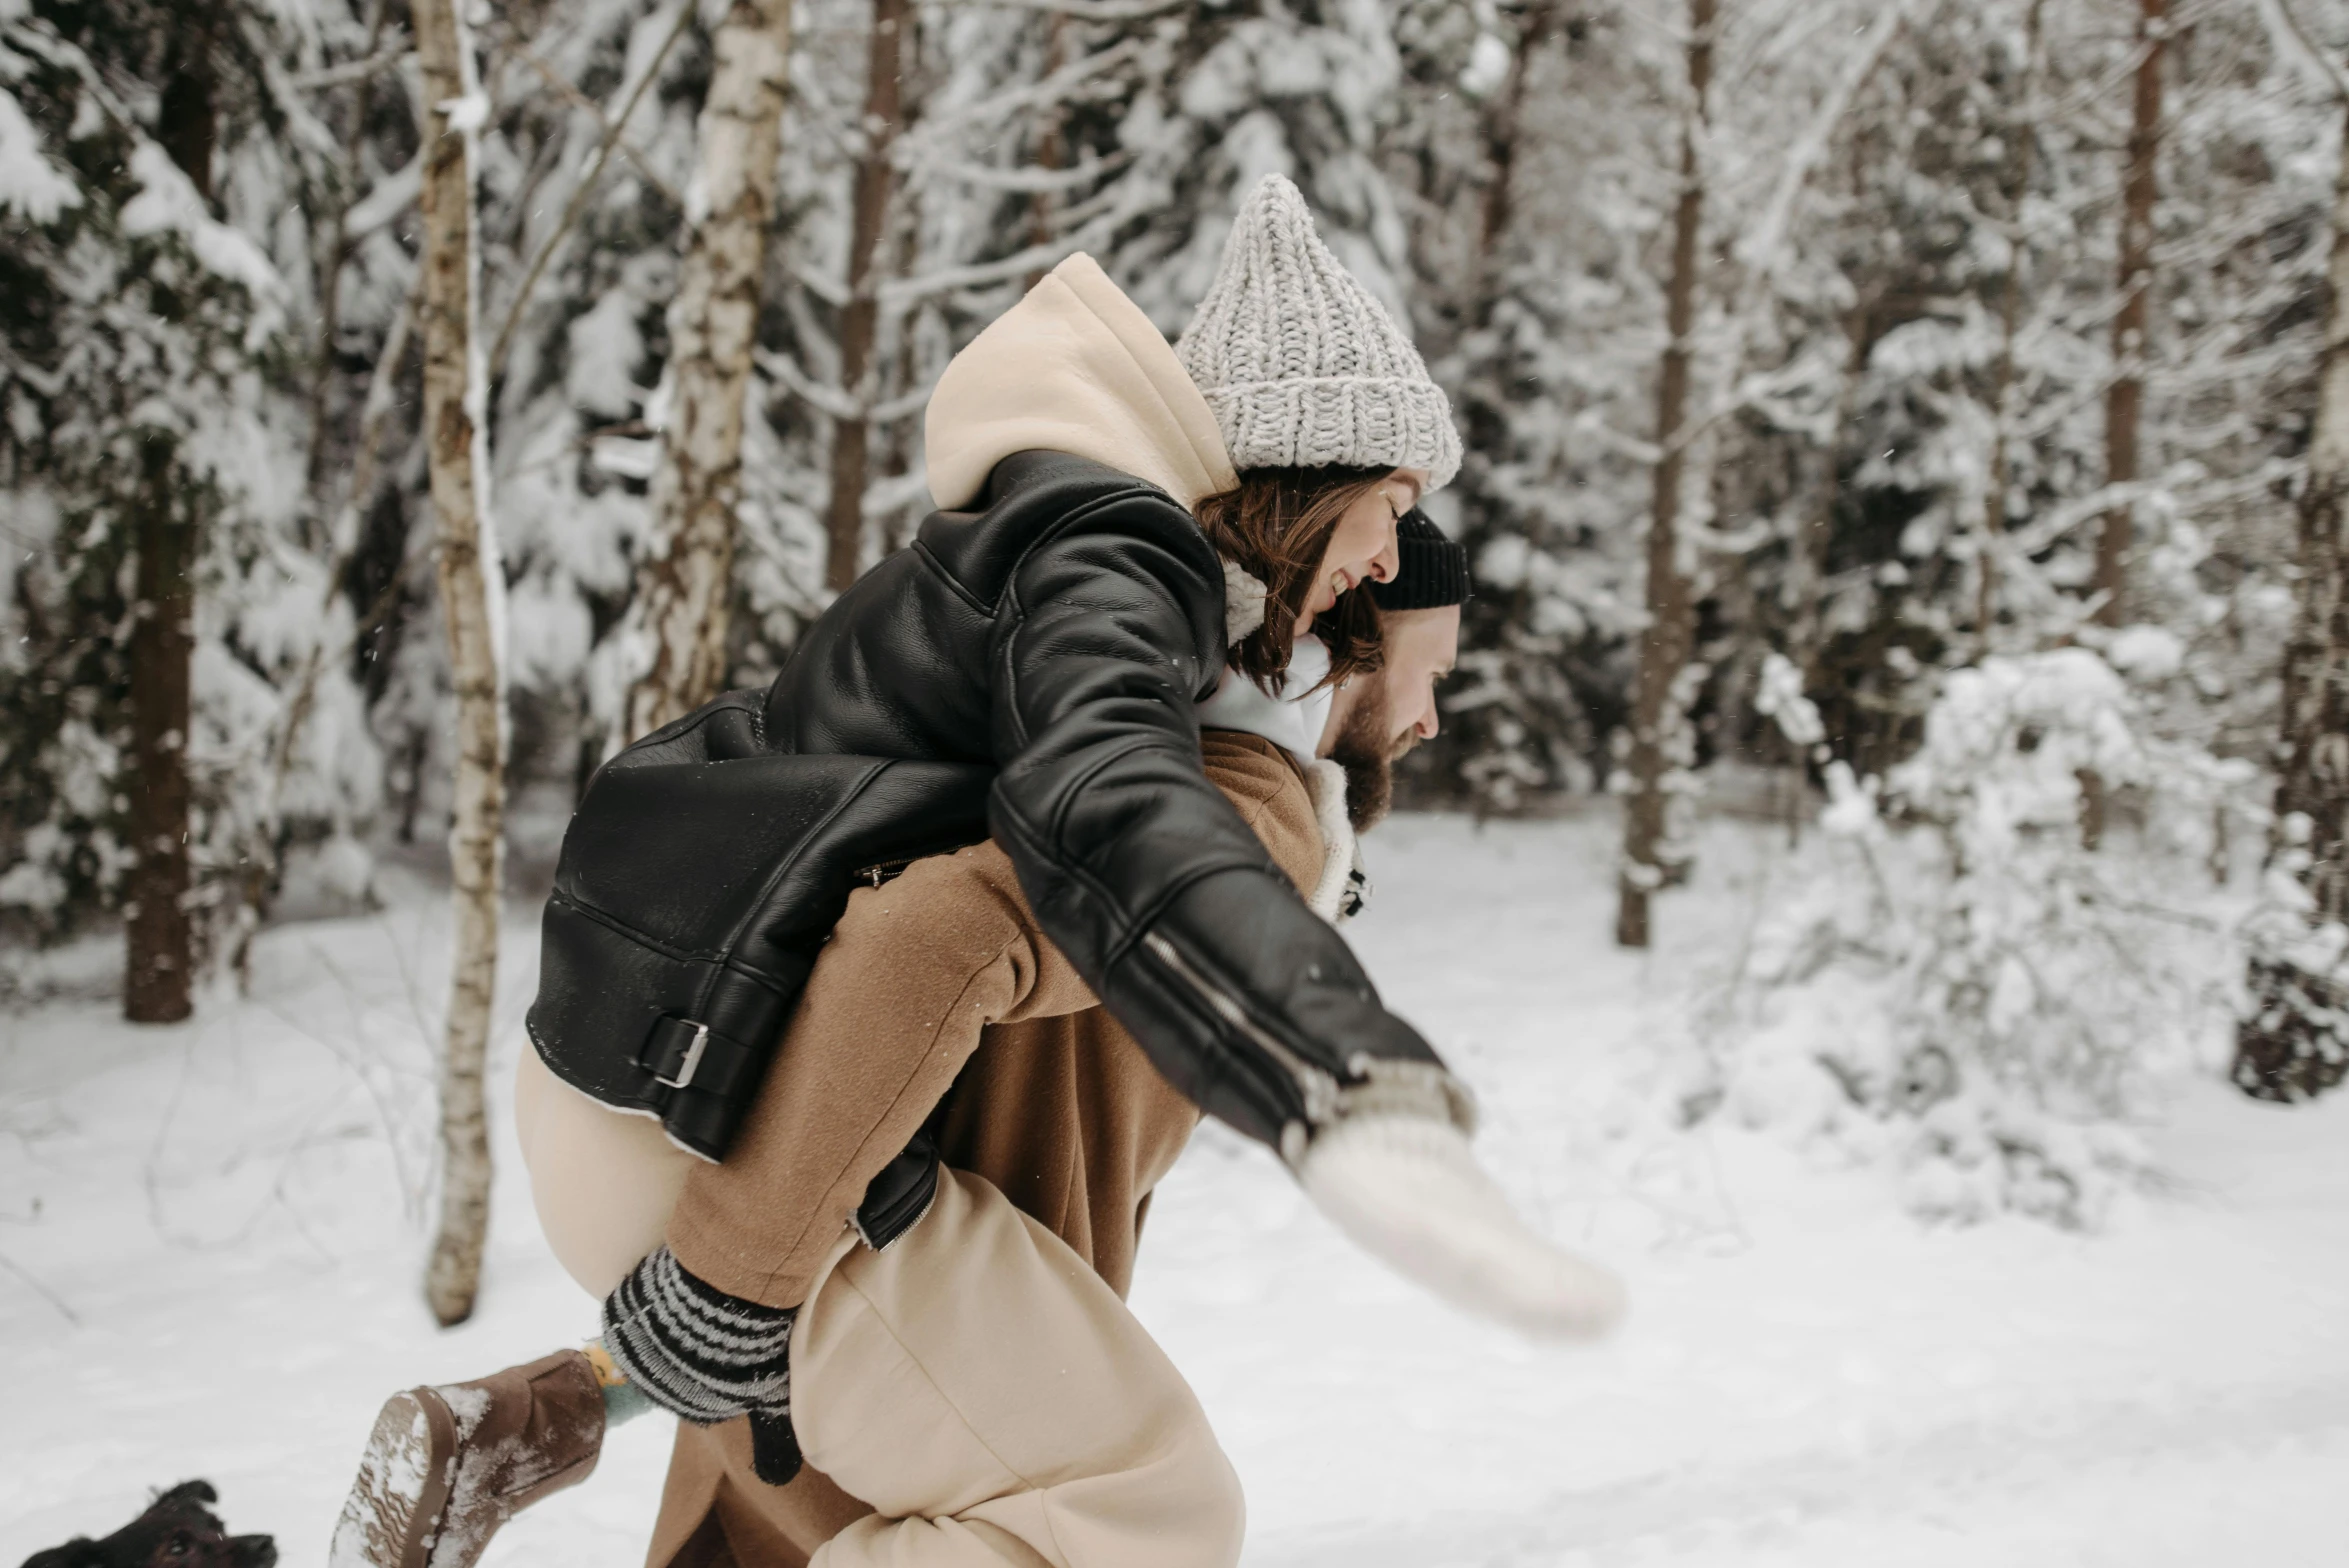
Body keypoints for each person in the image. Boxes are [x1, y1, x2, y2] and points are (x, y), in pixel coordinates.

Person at [332, 177, 1619, 1568]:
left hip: (681, 1091)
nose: (1434, 716)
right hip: (751, 1161)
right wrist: (1337, 1071)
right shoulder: (1215, 760)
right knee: (1145, 1503)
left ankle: (547, 1410)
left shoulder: (1069, 605)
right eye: (1392, 529)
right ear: (1338, 599)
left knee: (847, 1498)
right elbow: (958, 920)